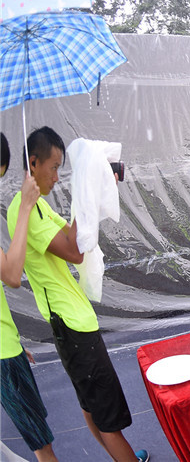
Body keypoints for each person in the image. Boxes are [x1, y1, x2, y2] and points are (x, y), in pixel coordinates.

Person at [6, 127, 148, 462]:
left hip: (71, 322)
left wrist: (95, 189)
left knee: (90, 405)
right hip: (72, 325)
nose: (57, 177)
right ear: (33, 162)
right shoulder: (27, 210)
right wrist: (88, 189)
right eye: (53, 168)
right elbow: (74, 251)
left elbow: (74, 236)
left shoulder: (36, 207)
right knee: (108, 419)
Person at [0, 134, 57, 462]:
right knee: (41, 443)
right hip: (4, 356)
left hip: (7, 348)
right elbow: (11, 275)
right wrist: (24, 209)